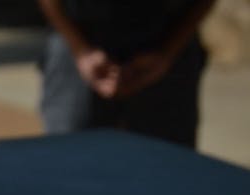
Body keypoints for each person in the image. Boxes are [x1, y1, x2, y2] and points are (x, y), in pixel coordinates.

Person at [37, 0, 217, 147]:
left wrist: (167, 53)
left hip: (168, 37)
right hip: (79, 35)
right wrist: (80, 50)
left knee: (169, 163)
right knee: (68, 156)